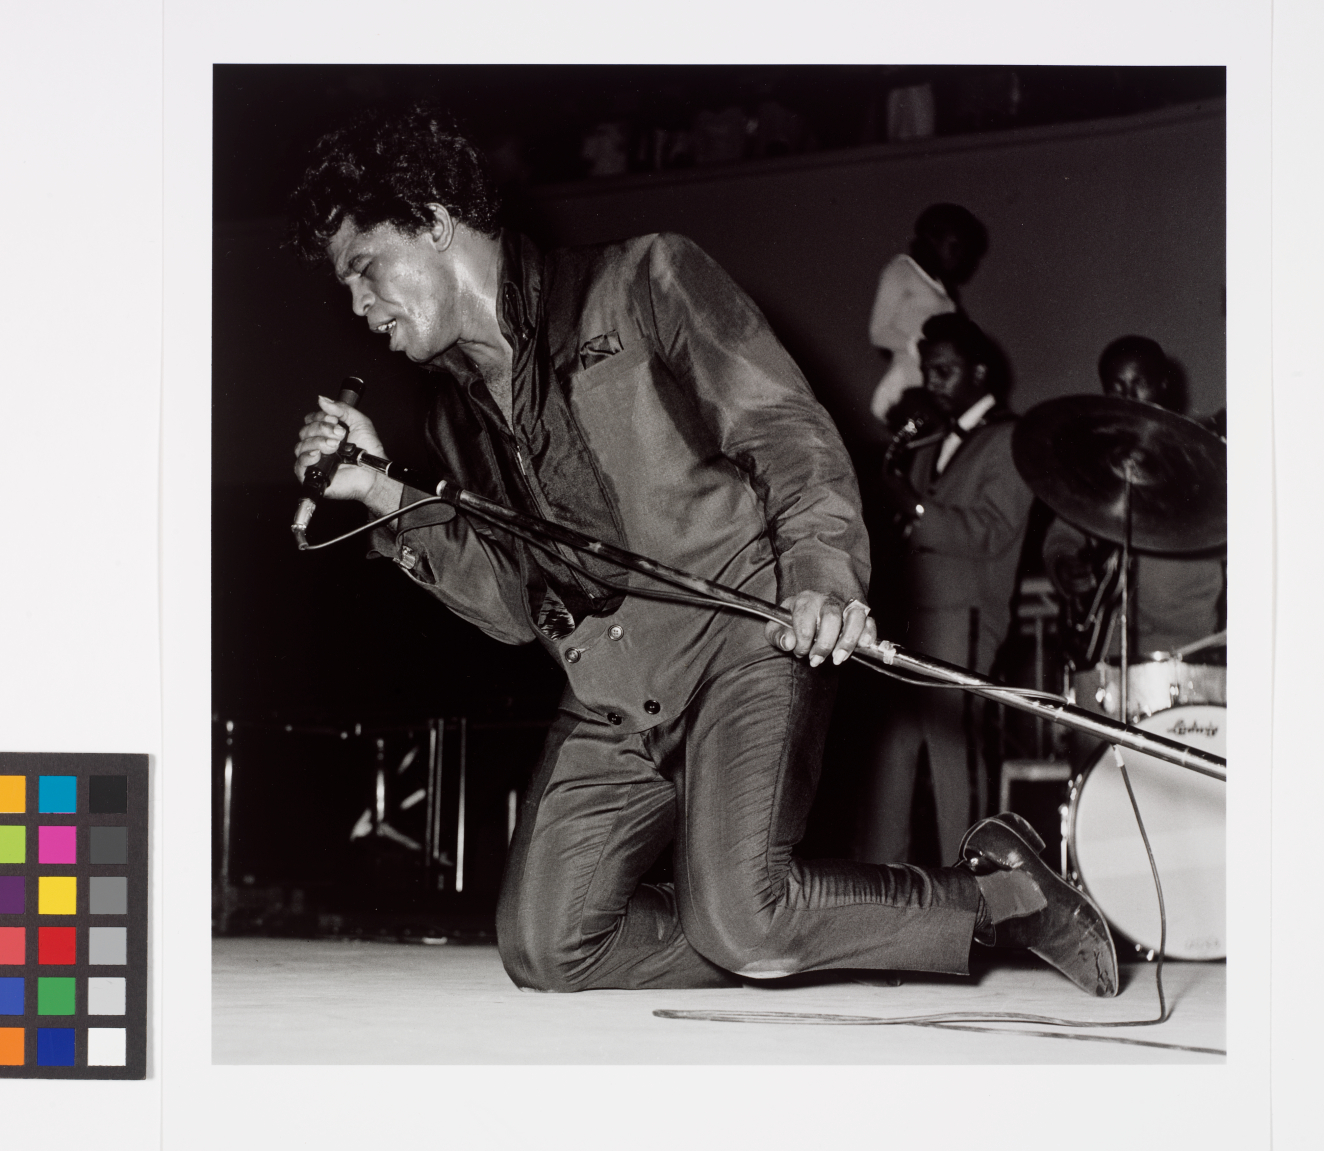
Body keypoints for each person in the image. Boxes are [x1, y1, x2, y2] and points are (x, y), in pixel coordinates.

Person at [286, 104, 1116, 997]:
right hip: (612, 684)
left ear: (434, 220)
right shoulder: (454, 415)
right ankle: (758, 923)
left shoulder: (643, 278)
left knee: (745, 919)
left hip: (741, 638)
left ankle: (1002, 897)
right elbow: (512, 603)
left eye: (365, 267)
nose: (359, 303)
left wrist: (822, 574)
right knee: (546, 947)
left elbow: (783, 429)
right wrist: (381, 493)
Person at [860, 312, 1034, 867]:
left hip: (965, 614)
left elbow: (990, 531)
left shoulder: (1010, 438)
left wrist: (912, 505)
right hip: (912, 615)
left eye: (944, 371)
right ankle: (881, 888)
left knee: (956, 758)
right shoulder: (932, 441)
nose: (932, 382)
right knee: (891, 758)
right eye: (928, 371)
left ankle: (973, 887)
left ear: (979, 372)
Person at [1043, 336, 1225, 660]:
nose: (1128, 396)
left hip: (1184, 640)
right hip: (1107, 641)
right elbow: (1062, 535)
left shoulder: (1198, 458)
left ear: (1164, 384)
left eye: (1139, 383)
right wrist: (1063, 564)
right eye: (1116, 386)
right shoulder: (1097, 462)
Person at [866, 203, 988, 423]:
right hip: (909, 384)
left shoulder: (941, 287)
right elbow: (879, 332)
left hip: (937, 385)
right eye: (954, 246)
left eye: (964, 250)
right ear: (932, 239)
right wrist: (918, 346)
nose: (959, 256)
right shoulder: (900, 270)